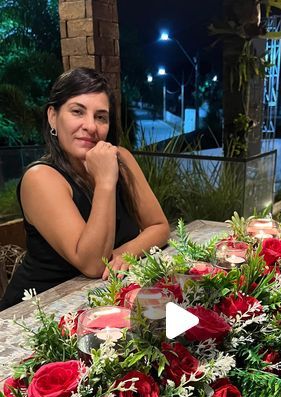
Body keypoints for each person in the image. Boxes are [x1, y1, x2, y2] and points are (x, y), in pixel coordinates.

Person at [0, 67, 170, 310]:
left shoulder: (120, 158)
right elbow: (93, 264)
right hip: (37, 315)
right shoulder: (40, 178)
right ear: (52, 116)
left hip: (98, 304)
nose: (91, 126)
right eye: (77, 111)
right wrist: (105, 181)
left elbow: (159, 226)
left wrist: (126, 253)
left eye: (101, 117)